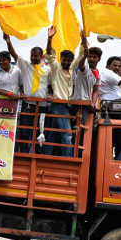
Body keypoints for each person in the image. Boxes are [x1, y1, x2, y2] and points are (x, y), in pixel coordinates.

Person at [4, 30, 51, 153]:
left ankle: (38, 155)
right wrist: (8, 41)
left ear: (41, 57)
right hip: (28, 105)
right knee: (25, 131)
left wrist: (50, 39)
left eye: (36, 55)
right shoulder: (25, 65)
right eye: (32, 55)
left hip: (42, 107)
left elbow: (50, 86)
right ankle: (24, 153)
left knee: (40, 132)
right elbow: (13, 54)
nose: (34, 57)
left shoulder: (47, 69)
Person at [43, 27, 73, 157]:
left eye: (68, 60)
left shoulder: (72, 71)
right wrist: (49, 38)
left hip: (67, 106)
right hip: (58, 105)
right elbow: (49, 54)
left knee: (52, 135)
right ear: (61, 59)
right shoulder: (56, 67)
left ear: (71, 61)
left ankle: (45, 158)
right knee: (66, 136)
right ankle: (68, 160)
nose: (66, 62)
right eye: (64, 59)